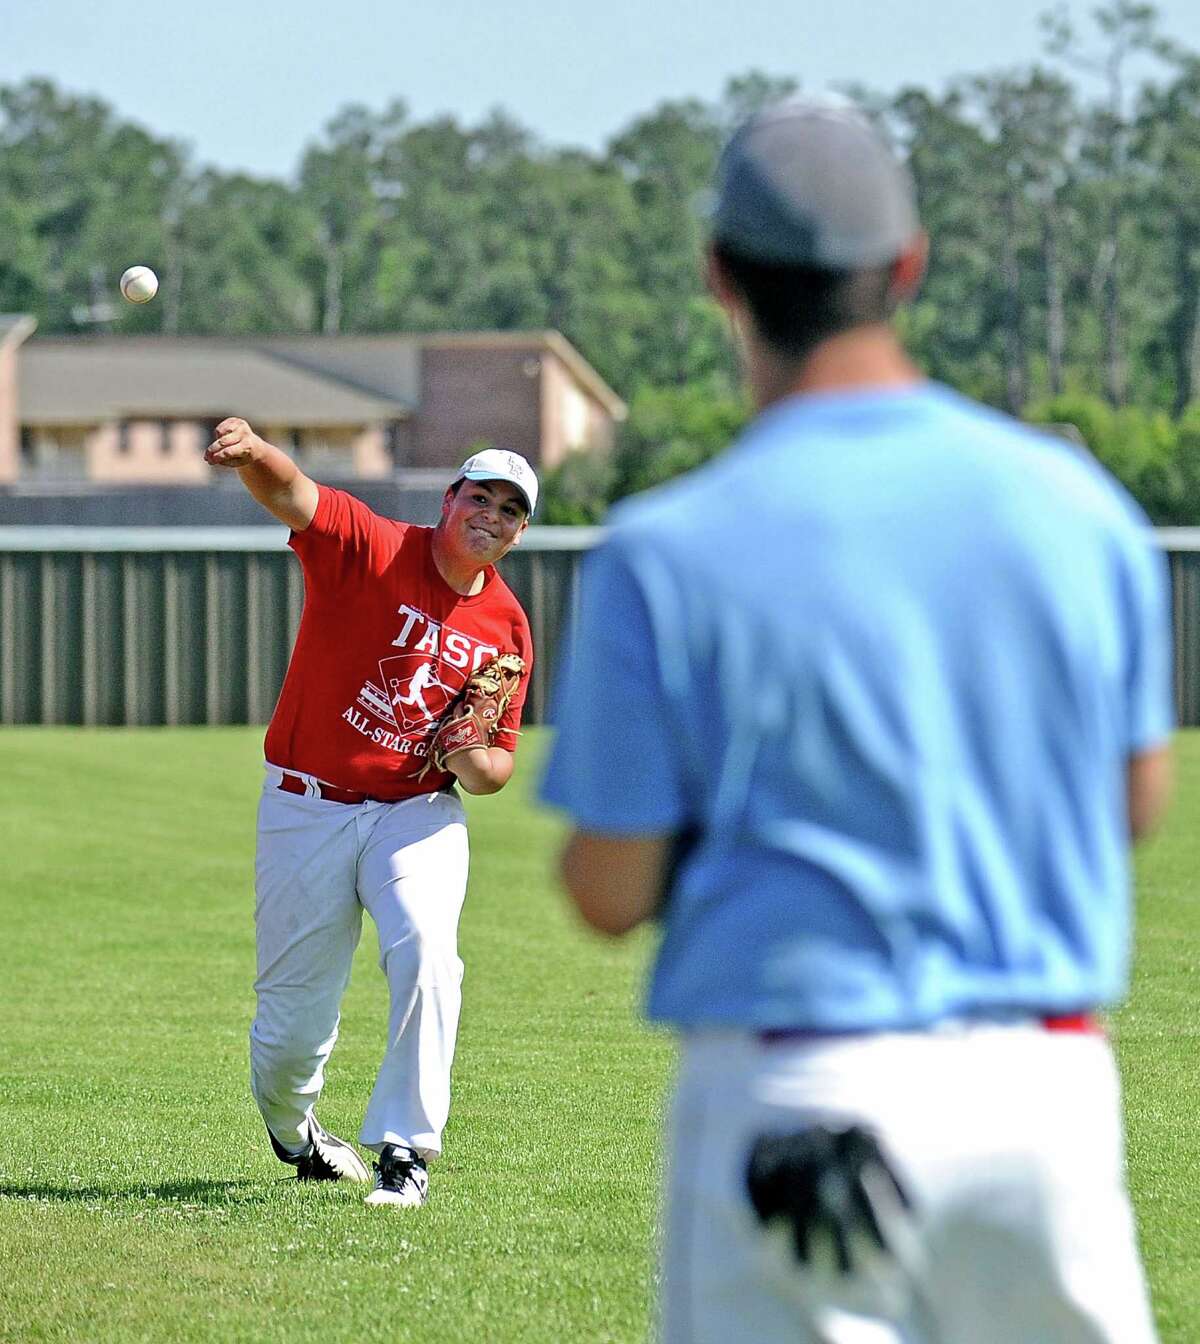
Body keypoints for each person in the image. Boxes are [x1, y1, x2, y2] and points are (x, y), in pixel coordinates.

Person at [540, 99, 1173, 1342]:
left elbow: (609, 889)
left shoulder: (666, 549)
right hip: (1039, 1096)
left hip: (800, 1097)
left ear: (719, 277)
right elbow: (1132, 802)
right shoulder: (1077, 505)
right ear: (909, 265)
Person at [205, 419, 536, 1208]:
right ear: (448, 498)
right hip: (305, 806)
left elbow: (494, 768)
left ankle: (406, 1153)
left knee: (427, 952)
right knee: (289, 1036)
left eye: (511, 509)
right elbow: (298, 496)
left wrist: (465, 750)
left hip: (415, 813)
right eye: (479, 495)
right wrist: (253, 453)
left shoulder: (507, 626)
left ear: (521, 533)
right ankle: (298, 1133)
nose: (490, 514)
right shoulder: (375, 545)